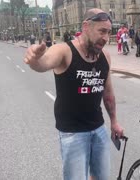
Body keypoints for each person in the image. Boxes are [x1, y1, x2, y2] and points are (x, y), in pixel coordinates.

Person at [24, 8, 124, 180]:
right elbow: (43, 63)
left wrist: (114, 122)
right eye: (102, 31)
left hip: (98, 129)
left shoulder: (105, 56)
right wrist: (35, 59)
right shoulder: (64, 51)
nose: (106, 38)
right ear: (86, 26)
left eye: (108, 32)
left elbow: (108, 94)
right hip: (73, 133)